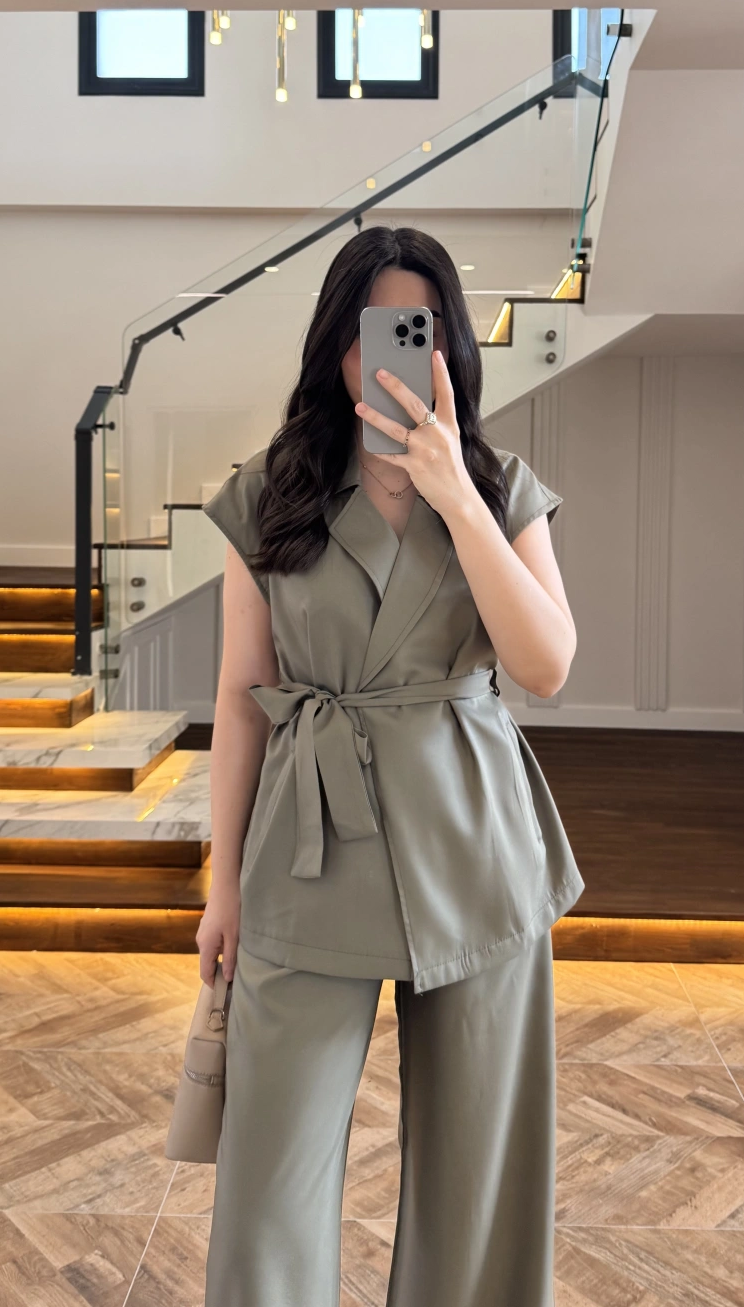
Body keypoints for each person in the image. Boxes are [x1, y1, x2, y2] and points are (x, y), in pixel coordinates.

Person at [196, 225, 585, 1307]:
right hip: (307, 848)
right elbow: (239, 696)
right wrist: (222, 884)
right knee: (268, 1177)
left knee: (477, 1180)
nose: (393, 356)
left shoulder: (500, 487)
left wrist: (456, 495)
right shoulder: (269, 493)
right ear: (339, 346)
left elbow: (546, 664)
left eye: (418, 330)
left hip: (473, 850)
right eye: (373, 332)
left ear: (450, 345)